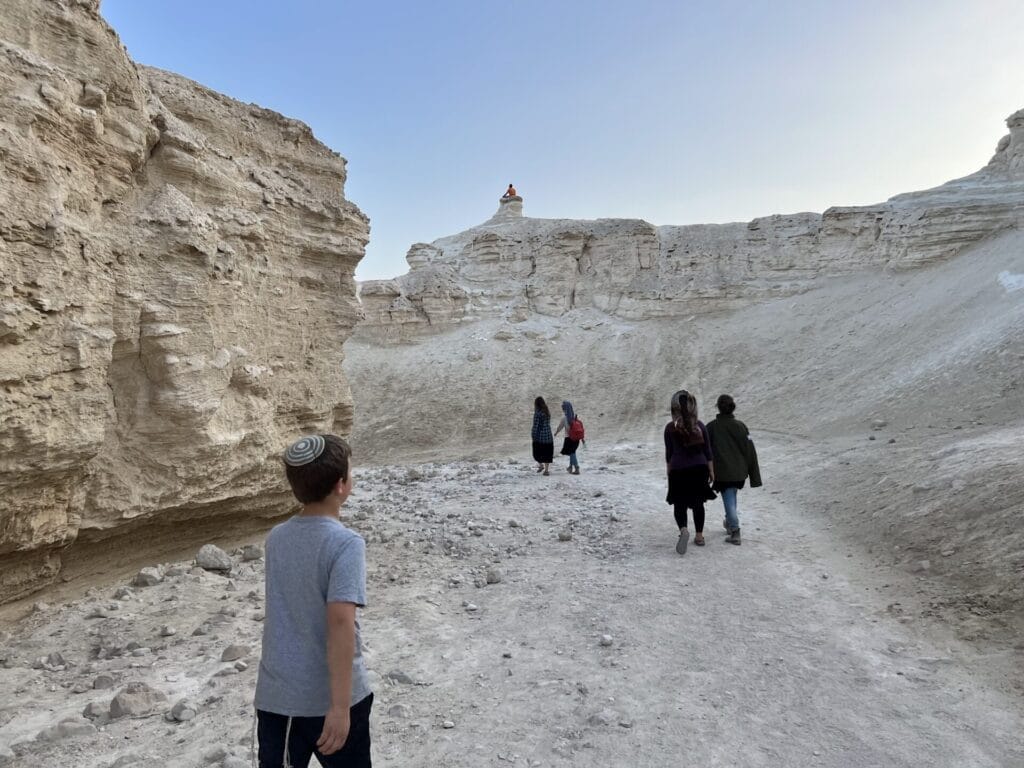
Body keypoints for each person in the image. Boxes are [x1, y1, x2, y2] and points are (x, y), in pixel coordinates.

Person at [254, 434, 373, 768]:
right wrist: (339, 707)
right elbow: (339, 623)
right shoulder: (346, 543)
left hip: (277, 699)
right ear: (340, 485)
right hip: (330, 703)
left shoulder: (276, 538)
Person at [706, 394, 762, 545]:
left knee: (729, 500)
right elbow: (750, 451)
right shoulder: (741, 426)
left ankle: (735, 531)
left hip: (723, 473)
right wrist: (754, 476)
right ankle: (730, 524)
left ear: (718, 407)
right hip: (739, 472)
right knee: (731, 496)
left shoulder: (711, 427)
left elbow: (704, 451)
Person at [664, 390, 715, 554]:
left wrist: (669, 472)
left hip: (678, 469)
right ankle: (699, 536)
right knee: (698, 503)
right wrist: (711, 471)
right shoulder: (699, 426)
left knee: (680, 503)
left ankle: (684, 529)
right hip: (699, 468)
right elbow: (708, 451)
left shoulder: (670, 428)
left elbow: (669, 453)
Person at [553, 400, 583, 474]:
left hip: (569, 439)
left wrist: (556, 432)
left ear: (564, 409)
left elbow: (560, 427)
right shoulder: (575, 418)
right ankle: (570, 467)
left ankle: (576, 467)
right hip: (576, 439)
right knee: (572, 452)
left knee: (572, 453)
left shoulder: (565, 418)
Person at [531, 396, 554, 475]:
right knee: (547, 453)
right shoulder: (547, 411)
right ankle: (546, 470)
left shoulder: (537, 413)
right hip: (548, 435)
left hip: (540, 436)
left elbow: (535, 425)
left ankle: (541, 465)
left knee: (536, 453)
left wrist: (533, 434)